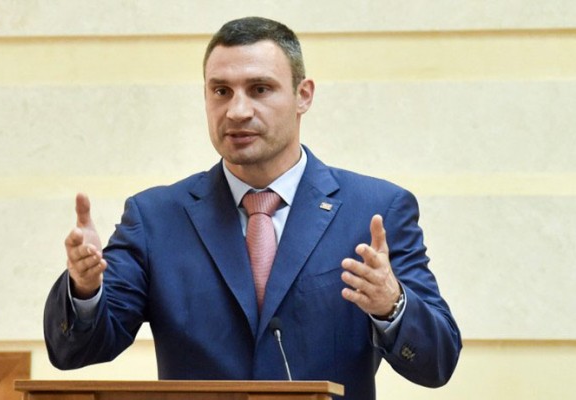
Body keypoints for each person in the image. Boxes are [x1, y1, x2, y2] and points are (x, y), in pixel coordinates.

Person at [44, 16, 461, 400]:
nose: (237, 111)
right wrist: (84, 289)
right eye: (220, 91)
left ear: (303, 95)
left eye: (260, 89)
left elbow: (437, 362)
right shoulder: (156, 217)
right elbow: (74, 350)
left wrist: (391, 305)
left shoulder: (374, 211)